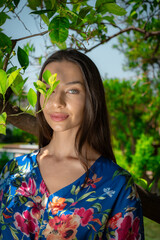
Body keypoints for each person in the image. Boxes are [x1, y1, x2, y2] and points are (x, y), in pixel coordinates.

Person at [0, 49, 144, 239]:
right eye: (48, 89)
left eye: (72, 90)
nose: (57, 101)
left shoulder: (117, 185)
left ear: (91, 97)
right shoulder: (13, 171)